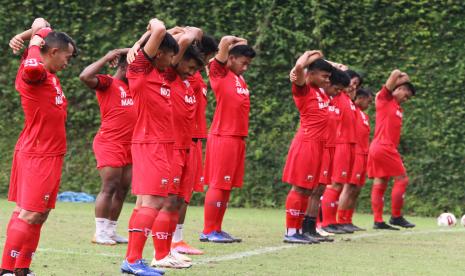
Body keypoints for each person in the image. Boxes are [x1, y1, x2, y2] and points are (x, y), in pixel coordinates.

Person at [1, 18, 77, 276]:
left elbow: (41, 23)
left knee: (38, 213)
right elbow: (33, 64)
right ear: (52, 52)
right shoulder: (33, 72)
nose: (68, 62)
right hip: (38, 153)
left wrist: (24, 35)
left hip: (48, 153)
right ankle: (6, 270)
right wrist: (32, 41)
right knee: (30, 213)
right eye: (66, 57)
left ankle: (21, 268)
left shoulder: (49, 72)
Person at [120, 18, 178, 276]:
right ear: (160, 52)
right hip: (150, 143)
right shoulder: (141, 68)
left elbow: (179, 35)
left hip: (161, 144)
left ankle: (133, 259)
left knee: (146, 202)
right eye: (170, 55)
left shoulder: (159, 74)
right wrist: (144, 35)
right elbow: (159, 28)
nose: (173, 60)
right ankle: (133, 261)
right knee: (152, 203)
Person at [150, 26, 204, 268]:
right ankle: (160, 254)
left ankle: (168, 250)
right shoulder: (169, 75)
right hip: (171, 148)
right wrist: (186, 32)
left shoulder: (184, 82)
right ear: (177, 61)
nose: (192, 72)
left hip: (186, 148)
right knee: (168, 202)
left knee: (177, 202)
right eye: (190, 67)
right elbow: (189, 37)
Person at [201, 35, 256, 243]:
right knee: (217, 184)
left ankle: (217, 228)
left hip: (237, 138)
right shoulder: (219, 73)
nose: (246, 68)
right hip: (224, 136)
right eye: (244, 63)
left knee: (227, 186)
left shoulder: (238, 78)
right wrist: (233, 40)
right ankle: (208, 230)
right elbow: (223, 43)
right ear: (230, 59)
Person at [79, 48, 136, 245]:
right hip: (110, 143)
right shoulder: (108, 83)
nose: (139, 72)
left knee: (122, 189)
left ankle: (111, 230)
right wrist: (107, 55)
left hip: (130, 145)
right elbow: (85, 76)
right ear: (123, 66)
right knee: (109, 186)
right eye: (134, 67)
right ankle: (100, 232)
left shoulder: (135, 87)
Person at [171, 34, 218, 255]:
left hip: (195, 138)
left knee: (185, 195)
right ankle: (167, 241)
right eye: (209, 56)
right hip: (179, 140)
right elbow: (175, 45)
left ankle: (177, 239)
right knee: (172, 195)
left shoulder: (195, 73)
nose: (209, 62)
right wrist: (188, 33)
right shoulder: (176, 73)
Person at [282, 51, 332, 244]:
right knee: (300, 188)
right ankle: (291, 232)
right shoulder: (303, 89)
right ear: (310, 74)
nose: (327, 80)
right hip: (307, 144)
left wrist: (317, 58)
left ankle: (299, 229)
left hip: (319, 146)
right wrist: (302, 64)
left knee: (308, 189)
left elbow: (321, 58)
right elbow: (300, 66)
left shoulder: (320, 91)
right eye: (324, 76)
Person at [301, 68, 350, 242]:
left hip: (329, 148)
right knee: (311, 189)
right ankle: (303, 227)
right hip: (316, 146)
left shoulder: (328, 98)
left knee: (319, 188)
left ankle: (312, 227)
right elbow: (308, 69)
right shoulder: (317, 93)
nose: (339, 93)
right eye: (337, 89)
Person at [367, 70, 416, 230]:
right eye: (405, 94)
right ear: (397, 89)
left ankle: (378, 221)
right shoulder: (384, 98)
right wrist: (403, 76)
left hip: (381, 147)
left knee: (381, 180)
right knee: (402, 179)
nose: (406, 99)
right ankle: (396, 216)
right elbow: (394, 73)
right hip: (383, 147)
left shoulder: (397, 107)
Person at [320, 70, 361, 234]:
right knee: (334, 183)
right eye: (352, 81)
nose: (353, 85)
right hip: (340, 143)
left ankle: (333, 220)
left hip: (349, 144)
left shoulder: (349, 100)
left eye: (356, 83)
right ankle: (326, 222)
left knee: (340, 184)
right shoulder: (335, 96)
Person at [337, 88, 374, 231]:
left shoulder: (365, 116)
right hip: (355, 152)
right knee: (348, 186)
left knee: (356, 189)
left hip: (364, 154)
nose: (369, 105)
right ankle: (340, 220)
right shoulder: (352, 111)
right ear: (359, 98)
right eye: (368, 101)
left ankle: (347, 219)